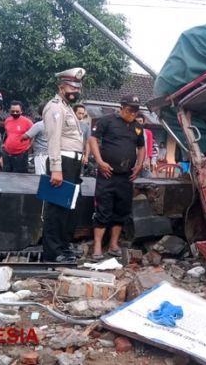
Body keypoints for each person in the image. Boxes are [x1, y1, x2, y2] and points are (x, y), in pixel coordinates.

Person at [89, 94, 146, 260]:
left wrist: (139, 165)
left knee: (121, 210)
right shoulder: (106, 121)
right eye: (130, 110)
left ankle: (114, 244)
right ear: (121, 107)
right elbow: (93, 139)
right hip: (107, 173)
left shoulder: (137, 127)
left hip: (126, 176)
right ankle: (98, 247)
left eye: (136, 111)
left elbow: (141, 148)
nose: (133, 114)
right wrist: (99, 161)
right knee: (103, 209)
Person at [42, 67, 87, 263]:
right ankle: (52, 252)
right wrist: (56, 168)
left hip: (73, 164)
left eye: (78, 87)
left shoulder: (67, 108)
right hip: (62, 162)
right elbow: (53, 139)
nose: (76, 91)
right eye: (72, 87)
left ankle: (64, 246)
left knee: (71, 209)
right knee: (57, 209)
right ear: (61, 87)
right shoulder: (55, 107)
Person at [2, 101, 33, 173]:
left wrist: (29, 146)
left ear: (21, 111)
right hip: (7, 154)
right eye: (13, 111)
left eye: (17, 111)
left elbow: (34, 134)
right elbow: (8, 134)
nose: (15, 113)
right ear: (9, 111)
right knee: (6, 176)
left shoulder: (27, 122)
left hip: (21, 154)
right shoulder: (7, 121)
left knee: (20, 178)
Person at [21, 104, 49, 175]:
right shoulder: (56, 124)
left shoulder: (39, 125)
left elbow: (25, 136)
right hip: (52, 154)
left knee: (40, 176)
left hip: (41, 155)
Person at [135, 113, 153, 178]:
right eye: (137, 121)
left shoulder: (148, 132)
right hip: (133, 161)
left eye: (140, 121)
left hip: (144, 160)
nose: (138, 123)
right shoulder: (130, 132)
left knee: (147, 180)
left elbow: (150, 147)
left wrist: (148, 159)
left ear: (143, 122)